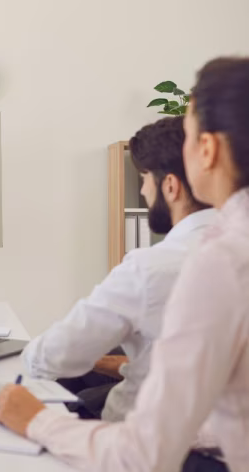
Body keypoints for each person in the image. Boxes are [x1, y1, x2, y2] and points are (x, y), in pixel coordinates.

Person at [0, 57, 249, 472]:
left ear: (208, 149)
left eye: (187, 134)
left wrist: (36, 420)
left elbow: (142, 456)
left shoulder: (215, 261)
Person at [22, 115, 215, 421]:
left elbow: (50, 358)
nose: (143, 191)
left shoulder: (151, 268)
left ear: (170, 186)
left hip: (136, 431)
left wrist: (25, 353)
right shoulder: (233, 252)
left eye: (144, 178)